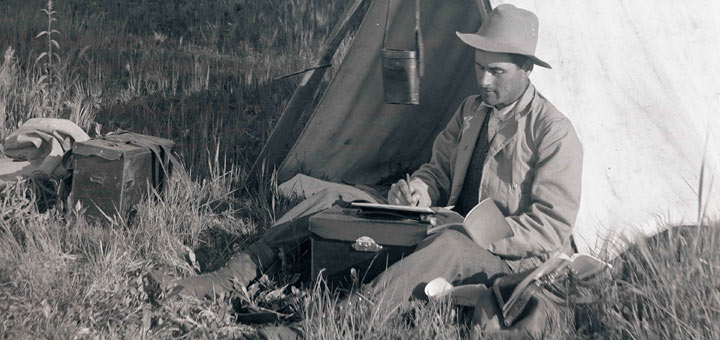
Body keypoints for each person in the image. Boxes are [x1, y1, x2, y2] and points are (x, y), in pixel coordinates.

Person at [161, 4, 583, 316]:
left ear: (527, 69)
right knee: (338, 202)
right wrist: (418, 190)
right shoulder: (471, 111)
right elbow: (436, 171)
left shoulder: (552, 132)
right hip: (443, 225)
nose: (483, 80)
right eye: (479, 68)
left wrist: (476, 234)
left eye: (497, 72)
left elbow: (552, 226)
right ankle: (229, 276)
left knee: (449, 246)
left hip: (500, 255)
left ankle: (339, 320)